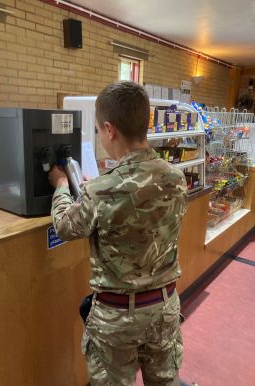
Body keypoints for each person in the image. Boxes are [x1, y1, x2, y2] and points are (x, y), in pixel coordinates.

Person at [49, 81, 188, 386]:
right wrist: (94, 190)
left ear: (109, 130)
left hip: (116, 318)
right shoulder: (176, 178)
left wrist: (62, 186)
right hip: (165, 306)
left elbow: (64, 226)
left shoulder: (101, 191)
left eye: (100, 130)